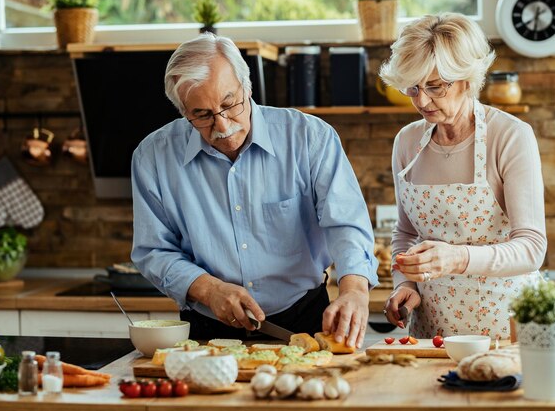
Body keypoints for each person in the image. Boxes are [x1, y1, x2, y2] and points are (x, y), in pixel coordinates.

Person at [131, 33, 378, 348]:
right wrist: (209, 290)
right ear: (183, 111)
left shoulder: (310, 138)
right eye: (202, 115)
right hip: (208, 329)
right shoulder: (153, 157)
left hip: (304, 322)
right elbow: (154, 251)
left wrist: (355, 291)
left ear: (247, 88)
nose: (222, 126)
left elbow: (345, 224)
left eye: (229, 104)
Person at [379, 13, 546, 340]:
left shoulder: (509, 136)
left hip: (504, 325)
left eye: (435, 86)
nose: (422, 101)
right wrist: (405, 284)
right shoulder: (408, 142)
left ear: (468, 78)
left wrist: (458, 258)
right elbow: (404, 233)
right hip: (431, 330)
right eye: (413, 88)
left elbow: (531, 248)